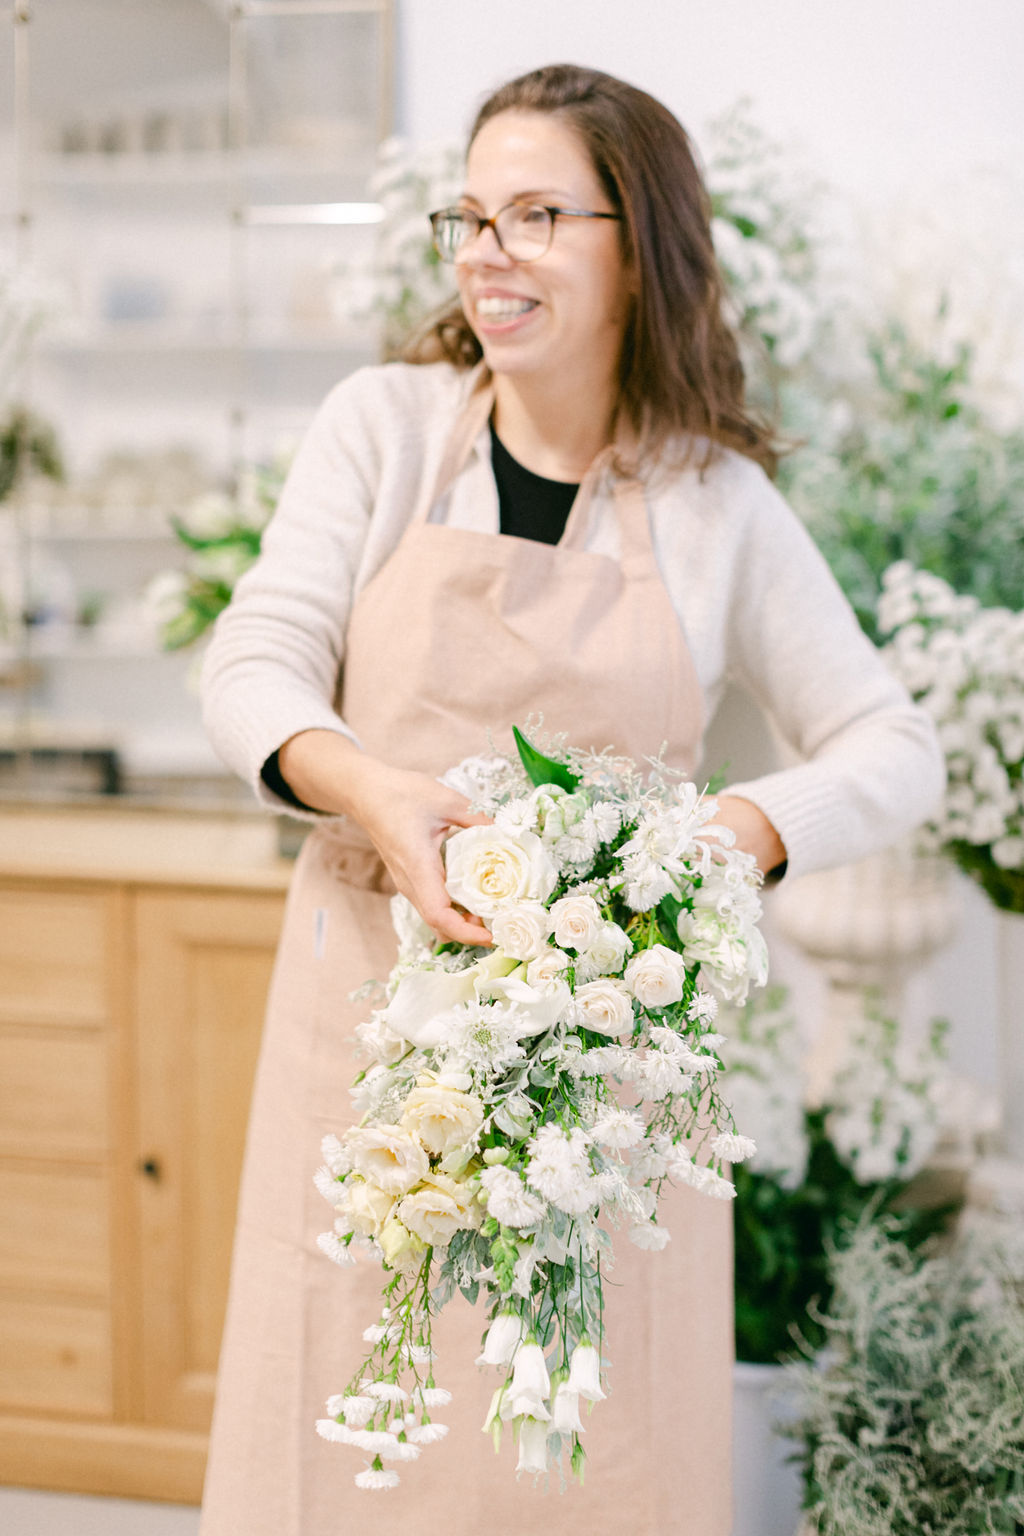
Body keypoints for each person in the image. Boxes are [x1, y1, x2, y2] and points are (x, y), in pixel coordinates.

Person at [198, 63, 942, 1536]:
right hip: (371, 1034)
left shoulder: (714, 502)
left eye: (537, 215)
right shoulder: (386, 428)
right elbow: (252, 660)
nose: (488, 252)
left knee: (594, 1445)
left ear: (638, 250)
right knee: (351, 1419)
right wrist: (373, 790)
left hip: (610, 1085)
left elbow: (894, 744)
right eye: (470, 217)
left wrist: (726, 838)